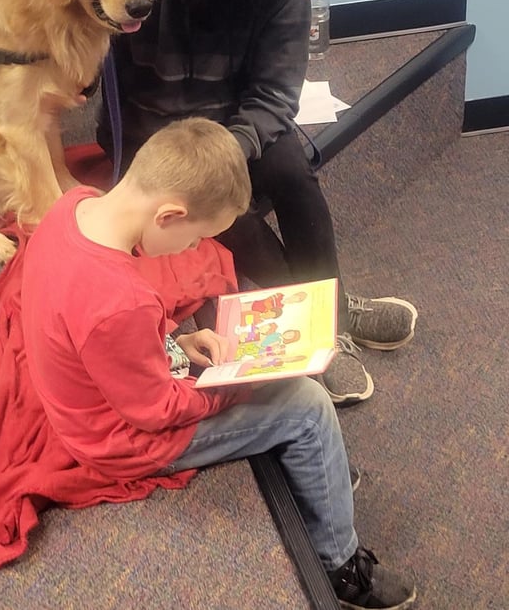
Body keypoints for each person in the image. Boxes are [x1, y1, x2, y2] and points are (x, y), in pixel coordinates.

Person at [22, 118, 416, 609]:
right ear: (168, 215)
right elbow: (155, 412)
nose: (190, 251)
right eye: (194, 240)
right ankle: (341, 566)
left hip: (112, 389)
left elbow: (102, 328)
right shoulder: (120, 301)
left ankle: (321, 468)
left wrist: (176, 343)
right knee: (309, 407)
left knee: (287, 394)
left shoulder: (73, 205)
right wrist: (240, 382)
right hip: (125, 440)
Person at [96, 0, 418, 407]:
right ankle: (323, 330)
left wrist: (233, 143)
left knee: (292, 169)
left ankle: (328, 320)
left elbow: (274, 92)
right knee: (231, 212)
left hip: (234, 120)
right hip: (157, 133)